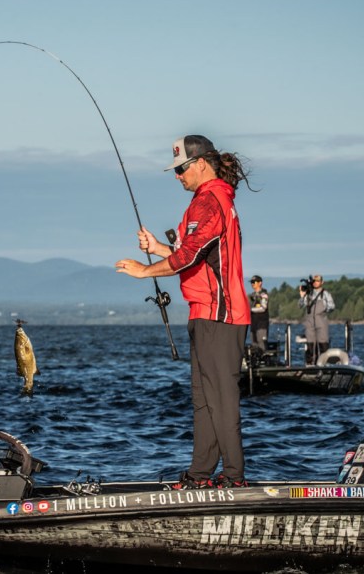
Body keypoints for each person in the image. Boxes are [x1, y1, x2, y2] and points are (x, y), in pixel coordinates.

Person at [116, 134, 253, 490]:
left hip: (220, 316)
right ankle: (200, 475)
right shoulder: (206, 200)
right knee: (203, 401)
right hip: (204, 313)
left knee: (220, 400)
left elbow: (189, 257)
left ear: (201, 164)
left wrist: (144, 271)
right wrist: (159, 247)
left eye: (181, 169)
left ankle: (234, 478)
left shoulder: (210, 201)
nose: (177, 176)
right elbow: (196, 252)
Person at [298, 274, 334, 363]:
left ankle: (324, 364)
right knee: (310, 346)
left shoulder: (325, 294)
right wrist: (302, 296)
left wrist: (323, 310)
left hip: (321, 321)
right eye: (314, 281)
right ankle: (310, 364)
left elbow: (332, 306)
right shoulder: (309, 293)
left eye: (318, 281)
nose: (316, 283)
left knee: (323, 345)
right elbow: (300, 305)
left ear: (322, 282)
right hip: (309, 322)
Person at [249, 275, 270, 350]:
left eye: (254, 282)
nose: (252, 284)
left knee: (261, 342)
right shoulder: (253, 295)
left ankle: (263, 356)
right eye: (251, 282)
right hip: (253, 324)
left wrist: (251, 310)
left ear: (260, 283)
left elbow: (263, 308)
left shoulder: (263, 295)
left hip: (262, 324)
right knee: (254, 344)